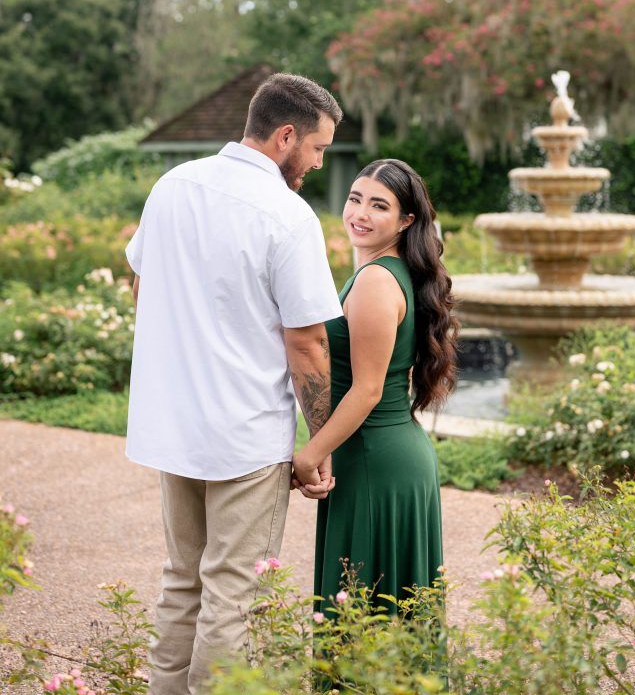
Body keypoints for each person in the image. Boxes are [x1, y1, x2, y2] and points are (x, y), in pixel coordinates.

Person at [125, 73, 344, 695]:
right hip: (243, 435)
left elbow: (141, 287)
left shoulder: (172, 186)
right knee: (231, 590)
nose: (318, 160)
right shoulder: (287, 214)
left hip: (173, 425)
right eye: (318, 147)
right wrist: (321, 445)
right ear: (284, 136)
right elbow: (306, 343)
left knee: (181, 578)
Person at [292, 158, 457, 608]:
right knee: (382, 618)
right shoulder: (390, 273)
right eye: (355, 199)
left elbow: (367, 389)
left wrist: (311, 453)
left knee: (364, 615)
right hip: (384, 454)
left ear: (406, 220)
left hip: (373, 462)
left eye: (378, 206)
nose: (360, 214)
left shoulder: (376, 283)